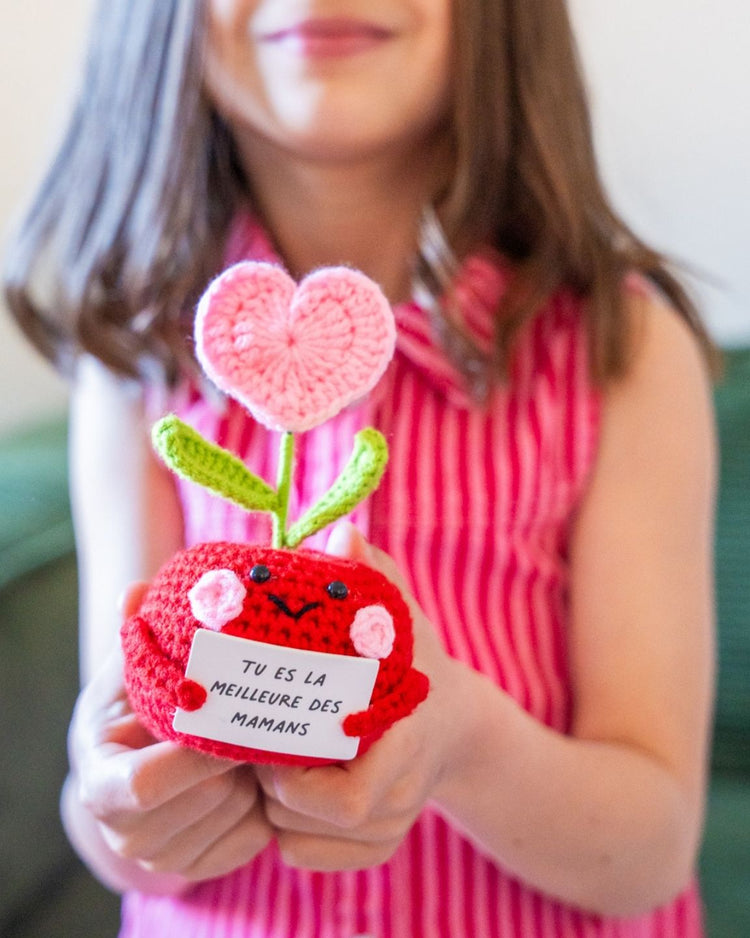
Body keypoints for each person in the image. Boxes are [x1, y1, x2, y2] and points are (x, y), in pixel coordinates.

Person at [3, 1, 718, 936]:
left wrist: (461, 743)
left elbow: (651, 848)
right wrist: (123, 802)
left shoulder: (620, 353)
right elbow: (111, 795)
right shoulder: (136, 368)